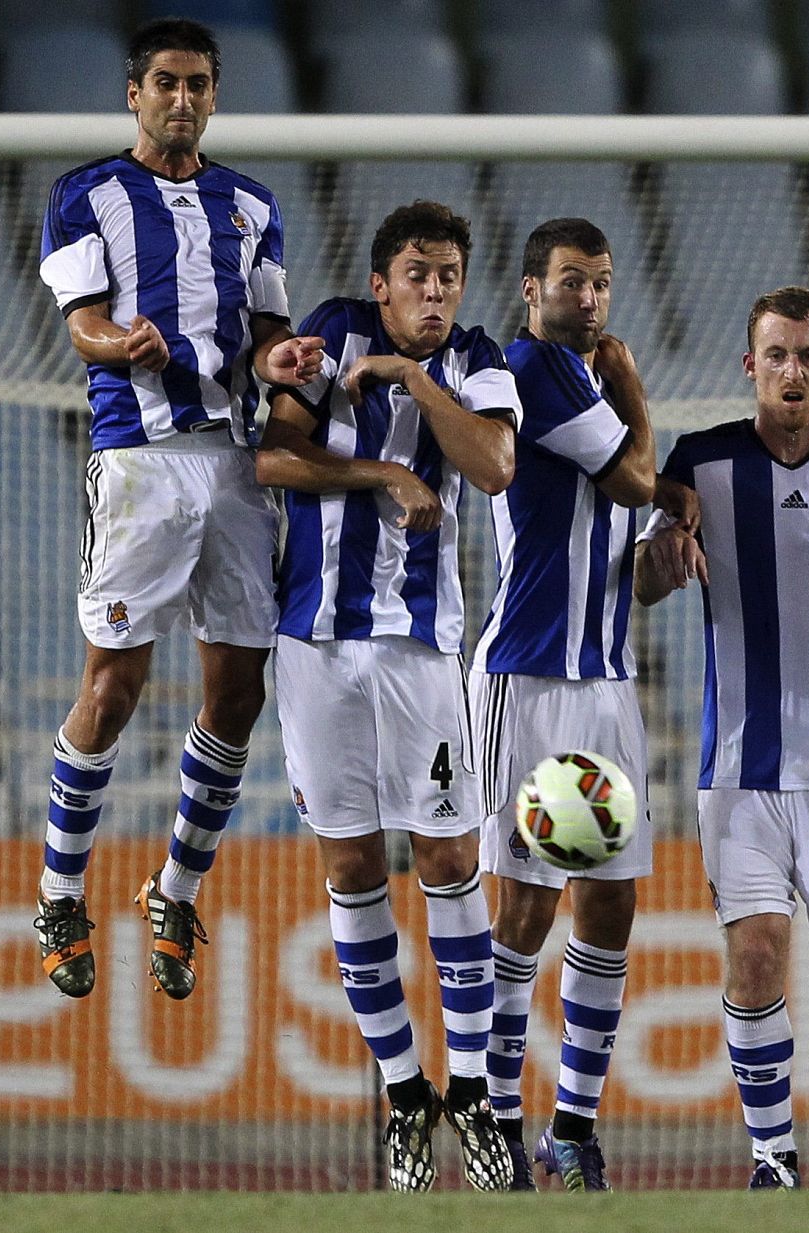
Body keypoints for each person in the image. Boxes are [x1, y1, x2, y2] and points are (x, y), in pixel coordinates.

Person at [33, 18, 324, 1001]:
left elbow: (271, 332)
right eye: (165, 82)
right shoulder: (85, 194)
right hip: (141, 462)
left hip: (235, 465)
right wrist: (126, 344)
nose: (183, 99)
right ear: (133, 93)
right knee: (112, 689)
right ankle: (60, 892)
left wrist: (285, 363)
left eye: (199, 83)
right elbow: (83, 326)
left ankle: (174, 888)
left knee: (238, 694)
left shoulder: (252, 204)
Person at [255, 202, 518, 1193]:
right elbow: (274, 459)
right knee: (354, 865)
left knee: (448, 858)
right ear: (381, 283)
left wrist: (413, 381)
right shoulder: (326, 333)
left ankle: (473, 1097)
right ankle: (406, 1097)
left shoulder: (476, 356)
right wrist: (378, 475)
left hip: (419, 647)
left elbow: (493, 465)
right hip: (316, 645)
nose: (437, 291)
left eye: (449, 274)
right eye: (418, 273)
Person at [635, 287, 809, 1191]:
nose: (792, 370)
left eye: (808, 354)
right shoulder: (699, 463)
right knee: (755, 951)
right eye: (777, 355)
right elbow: (643, 580)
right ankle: (769, 1156)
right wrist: (661, 557)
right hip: (738, 770)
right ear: (748, 365)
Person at [470, 218, 659, 1192]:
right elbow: (634, 477)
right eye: (572, 281)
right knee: (528, 905)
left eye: (602, 283)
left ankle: (572, 1125)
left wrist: (664, 557)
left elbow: (625, 543)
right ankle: (497, 1121)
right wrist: (635, 391)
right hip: (529, 678)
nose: (588, 299)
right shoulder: (530, 369)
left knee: (612, 901)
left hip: (607, 679)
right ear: (530, 287)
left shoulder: (576, 384)